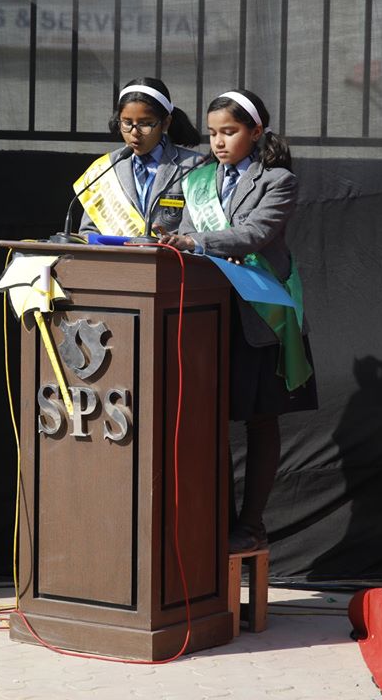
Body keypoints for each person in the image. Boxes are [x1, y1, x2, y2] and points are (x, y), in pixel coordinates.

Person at [157, 88, 317, 554]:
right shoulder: (198, 180)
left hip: (260, 315)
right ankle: (214, 521)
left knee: (260, 420)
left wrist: (195, 242)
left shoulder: (278, 181)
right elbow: (185, 231)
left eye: (229, 131)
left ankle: (250, 526)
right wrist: (176, 239)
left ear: (256, 131)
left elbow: (255, 233)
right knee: (207, 418)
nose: (219, 142)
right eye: (212, 133)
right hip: (207, 314)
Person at [76, 77, 203, 238]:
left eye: (145, 123)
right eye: (127, 123)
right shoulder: (104, 169)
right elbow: (88, 231)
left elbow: (200, 233)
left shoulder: (195, 167)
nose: (135, 132)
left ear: (165, 123)